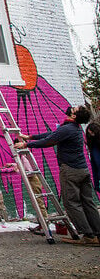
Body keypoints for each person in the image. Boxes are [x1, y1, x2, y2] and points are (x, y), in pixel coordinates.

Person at [16, 105, 100, 244]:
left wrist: (26, 145)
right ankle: (98, 234)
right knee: (88, 202)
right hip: (82, 170)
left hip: (71, 171)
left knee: (72, 203)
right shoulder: (73, 128)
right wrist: (30, 137)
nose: (70, 108)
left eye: (74, 109)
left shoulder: (68, 129)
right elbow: (53, 134)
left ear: (74, 116)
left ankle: (88, 236)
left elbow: (49, 141)